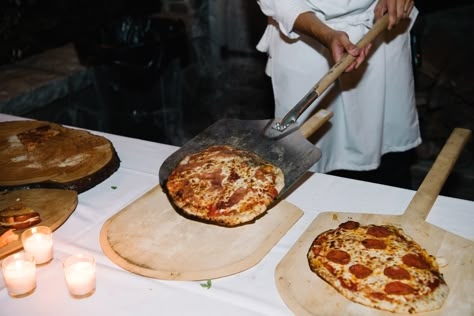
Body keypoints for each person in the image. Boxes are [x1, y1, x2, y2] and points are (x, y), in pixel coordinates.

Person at [256, 0, 421, 188]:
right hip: (304, 42)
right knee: (305, 176)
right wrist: (326, 34)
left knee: (390, 171)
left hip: (382, 31)